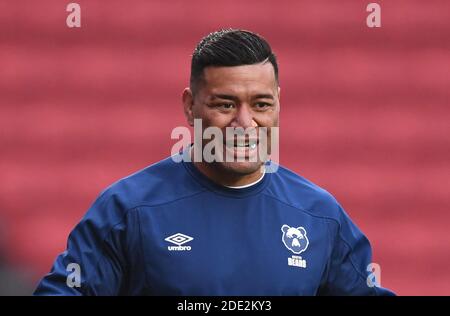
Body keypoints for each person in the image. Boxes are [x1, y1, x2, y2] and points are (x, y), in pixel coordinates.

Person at [34, 29, 394, 295]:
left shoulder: (319, 215)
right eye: (225, 104)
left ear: (279, 104)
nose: (244, 123)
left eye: (261, 105)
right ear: (190, 106)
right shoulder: (129, 208)